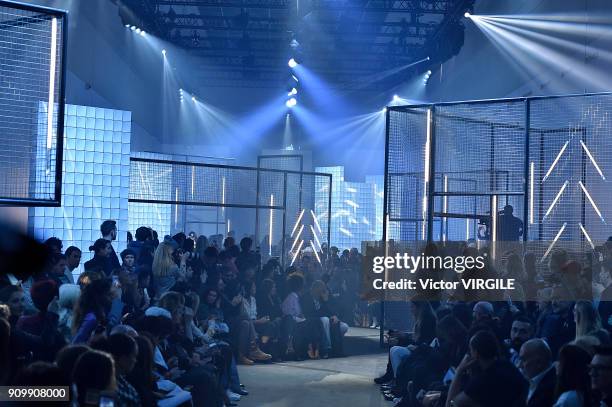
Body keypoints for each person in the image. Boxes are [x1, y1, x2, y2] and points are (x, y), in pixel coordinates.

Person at [446, 330, 527, 407]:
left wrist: (460, 370)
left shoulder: (483, 381)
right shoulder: (507, 366)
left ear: (476, 353)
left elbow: (450, 405)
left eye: (470, 350)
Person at [107, 333, 141, 407]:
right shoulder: (108, 390)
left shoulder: (120, 377)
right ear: (123, 358)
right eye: (134, 356)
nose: (135, 361)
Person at [519, 338, 556, 407]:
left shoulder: (552, 386)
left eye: (523, 360)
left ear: (539, 363)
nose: (519, 365)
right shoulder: (530, 381)